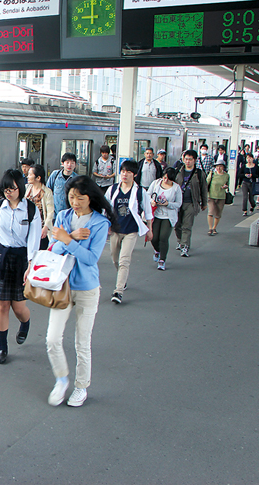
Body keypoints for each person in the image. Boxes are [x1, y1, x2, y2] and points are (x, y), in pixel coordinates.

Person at [46, 175, 117, 408]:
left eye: (80, 197)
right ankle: (61, 378)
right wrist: (71, 238)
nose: (74, 202)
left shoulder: (99, 223)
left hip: (87, 289)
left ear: (91, 197)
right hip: (62, 286)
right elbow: (53, 249)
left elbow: (90, 259)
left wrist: (67, 240)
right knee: (52, 339)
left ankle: (81, 386)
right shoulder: (64, 216)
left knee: (82, 342)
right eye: (71, 197)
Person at [0, 169, 42, 365]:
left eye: (12, 189)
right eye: (5, 189)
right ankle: (2, 347)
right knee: (2, 305)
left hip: (21, 261)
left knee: (18, 307)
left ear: (21, 188)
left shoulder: (31, 210)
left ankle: (25, 324)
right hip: (0, 257)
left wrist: (31, 264)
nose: (8, 193)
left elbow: (33, 241)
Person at [104, 160, 153, 304]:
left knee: (124, 259)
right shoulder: (113, 189)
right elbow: (105, 208)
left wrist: (149, 230)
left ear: (135, 174)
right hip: (115, 230)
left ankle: (118, 291)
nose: (124, 174)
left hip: (131, 230)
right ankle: (122, 278)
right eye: (123, 171)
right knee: (115, 258)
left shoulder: (140, 192)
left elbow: (148, 212)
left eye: (128, 172)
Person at [174, 150, 208, 257]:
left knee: (187, 225)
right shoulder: (178, 171)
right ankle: (180, 240)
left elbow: (203, 188)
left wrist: (204, 202)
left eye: (190, 159)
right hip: (177, 203)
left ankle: (185, 246)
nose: (187, 161)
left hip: (191, 202)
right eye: (186, 159)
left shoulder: (199, 173)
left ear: (195, 160)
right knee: (177, 224)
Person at [148, 168, 182, 271]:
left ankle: (162, 259)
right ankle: (158, 250)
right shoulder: (156, 183)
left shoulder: (176, 188)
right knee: (154, 237)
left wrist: (168, 204)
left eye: (168, 179)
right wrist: (152, 201)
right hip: (156, 214)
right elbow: (147, 195)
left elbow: (178, 203)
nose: (165, 180)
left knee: (163, 237)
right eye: (164, 177)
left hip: (168, 216)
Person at [25, 164, 54, 250]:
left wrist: (46, 227)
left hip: (41, 230)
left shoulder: (47, 192)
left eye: (30, 174)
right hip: (28, 227)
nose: (28, 176)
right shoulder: (27, 188)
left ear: (38, 178)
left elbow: (50, 212)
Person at [206, 160, 230, 236]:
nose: (218, 168)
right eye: (217, 166)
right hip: (211, 195)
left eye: (220, 166)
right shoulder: (212, 174)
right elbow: (207, 183)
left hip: (221, 196)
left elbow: (227, 184)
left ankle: (214, 227)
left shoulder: (226, 175)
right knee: (211, 212)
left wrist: (225, 187)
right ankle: (210, 228)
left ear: (223, 167)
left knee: (218, 213)